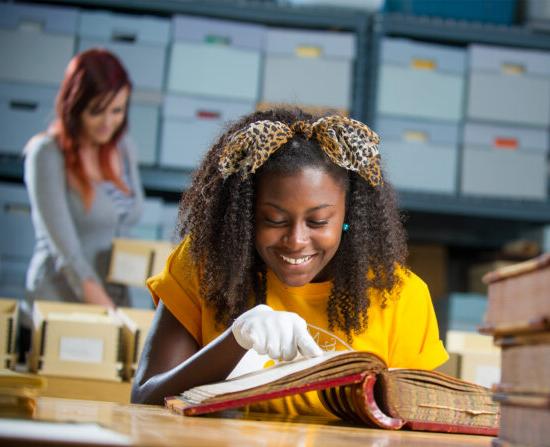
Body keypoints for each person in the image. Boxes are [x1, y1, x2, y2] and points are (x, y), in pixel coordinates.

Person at [131, 107, 448, 416]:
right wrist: (235, 341)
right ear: (247, 216)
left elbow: (420, 426)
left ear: (348, 216)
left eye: (319, 222)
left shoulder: (401, 296)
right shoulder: (206, 266)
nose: (296, 241)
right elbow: (145, 398)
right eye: (274, 220)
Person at [23, 48, 144, 319]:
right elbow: (68, 257)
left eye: (117, 111)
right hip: (61, 303)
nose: (108, 122)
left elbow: (123, 229)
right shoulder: (46, 154)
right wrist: (112, 317)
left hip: (114, 300)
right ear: (74, 106)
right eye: (96, 111)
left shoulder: (123, 148)